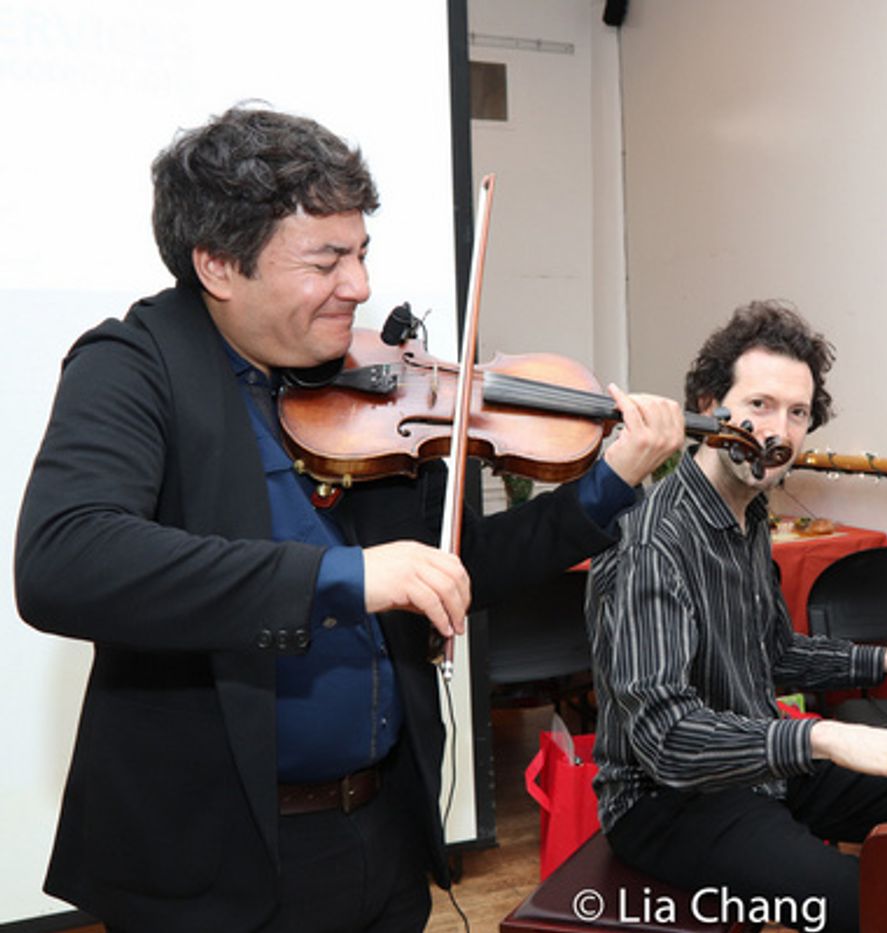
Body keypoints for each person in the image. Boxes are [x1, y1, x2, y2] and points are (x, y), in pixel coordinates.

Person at [13, 105, 685, 933]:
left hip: (381, 828)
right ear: (219, 264)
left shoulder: (365, 384)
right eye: (327, 259)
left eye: (361, 252)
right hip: (215, 858)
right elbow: (66, 559)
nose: (360, 285)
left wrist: (606, 485)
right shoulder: (131, 366)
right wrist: (347, 576)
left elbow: (459, 566)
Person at [585, 301, 887, 933]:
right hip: (667, 802)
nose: (778, 431)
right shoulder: (652, 541)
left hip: (759, 763)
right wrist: (830, 736)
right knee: (874, 900)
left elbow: (772, 651)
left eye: (798, 412)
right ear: (708, 406)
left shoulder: (749, 514)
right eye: (759, 405)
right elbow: (666, 739)